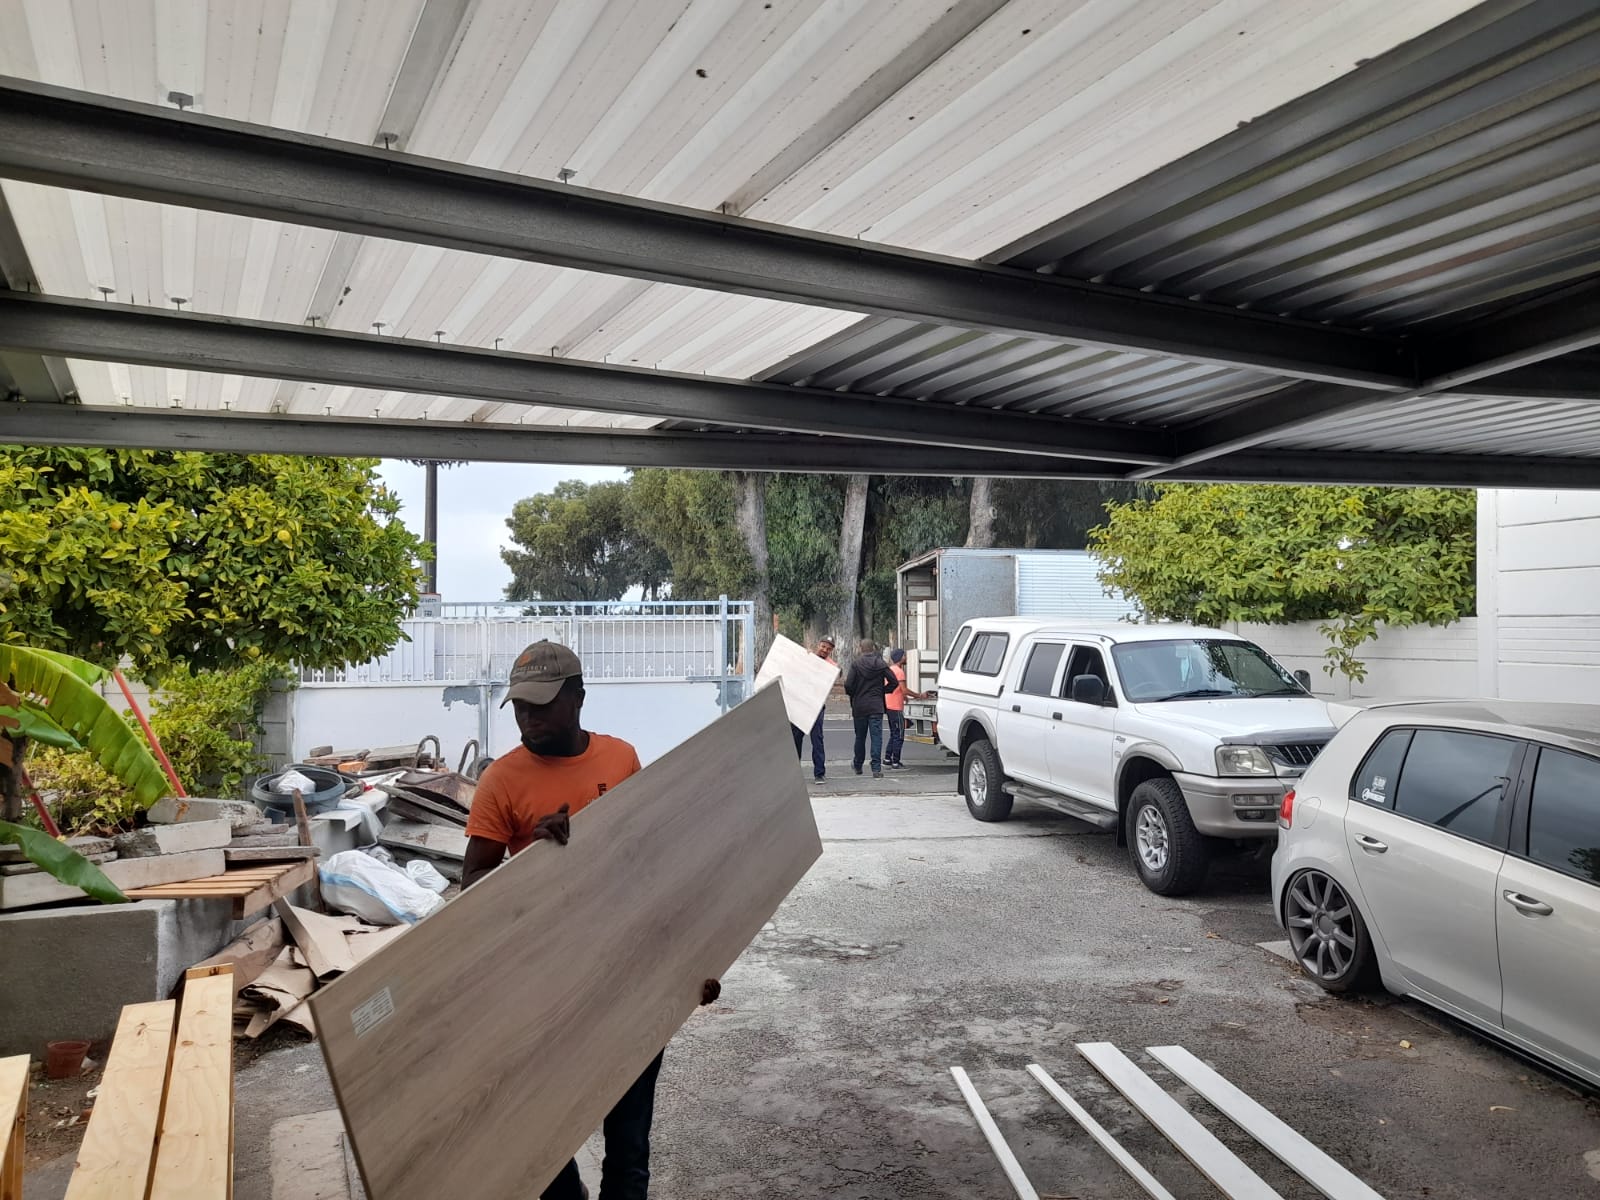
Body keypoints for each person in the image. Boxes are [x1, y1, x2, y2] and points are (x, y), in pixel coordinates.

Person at [462, 640, 721, 1200]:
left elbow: (653, 864)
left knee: (628, 1154)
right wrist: (533, 860)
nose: (528, 718)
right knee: (546, 1150)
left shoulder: (620, 759)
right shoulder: (501, 780)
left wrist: (691, 963)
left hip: (631, 979)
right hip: (547, 989)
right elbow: (472, 886)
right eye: (520, 707)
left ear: (578, 697)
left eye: (540, 704)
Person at [842, 639, 897, 779]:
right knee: (876, 737)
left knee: (860, 737)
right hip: (876, 705)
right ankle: (876, 768)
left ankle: (858, 765)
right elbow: (894, 682)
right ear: (873, 648)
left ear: (861, 648)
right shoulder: (880, 664)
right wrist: (882, 691)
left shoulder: (856, 664)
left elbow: (848, 685)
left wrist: (854, 694)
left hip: (860, 706)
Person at [789, 636, 834, 784]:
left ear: (831, 651)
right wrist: (805, 657)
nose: (825, 650)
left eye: (828, 649)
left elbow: (835, 675)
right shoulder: (807, 657)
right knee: (795, 738)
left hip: (816, 706)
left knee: (817, 740)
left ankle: (819, 774)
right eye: (823, 646)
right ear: (818, 645)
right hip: (801, 704)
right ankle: (794, 772)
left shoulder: (831, 665)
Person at [884, 648, 927, 770]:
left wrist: (903, 696)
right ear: (900, 658)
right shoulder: (899, 672)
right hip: (896, 707)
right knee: (899, 734)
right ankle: (895, 762)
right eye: (904, 656)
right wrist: (919, 695)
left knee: (894, 733)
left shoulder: (889, 670)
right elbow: (904, 689)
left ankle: (887, 759)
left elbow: (895, 688)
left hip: (888, 705)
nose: (906, 658)